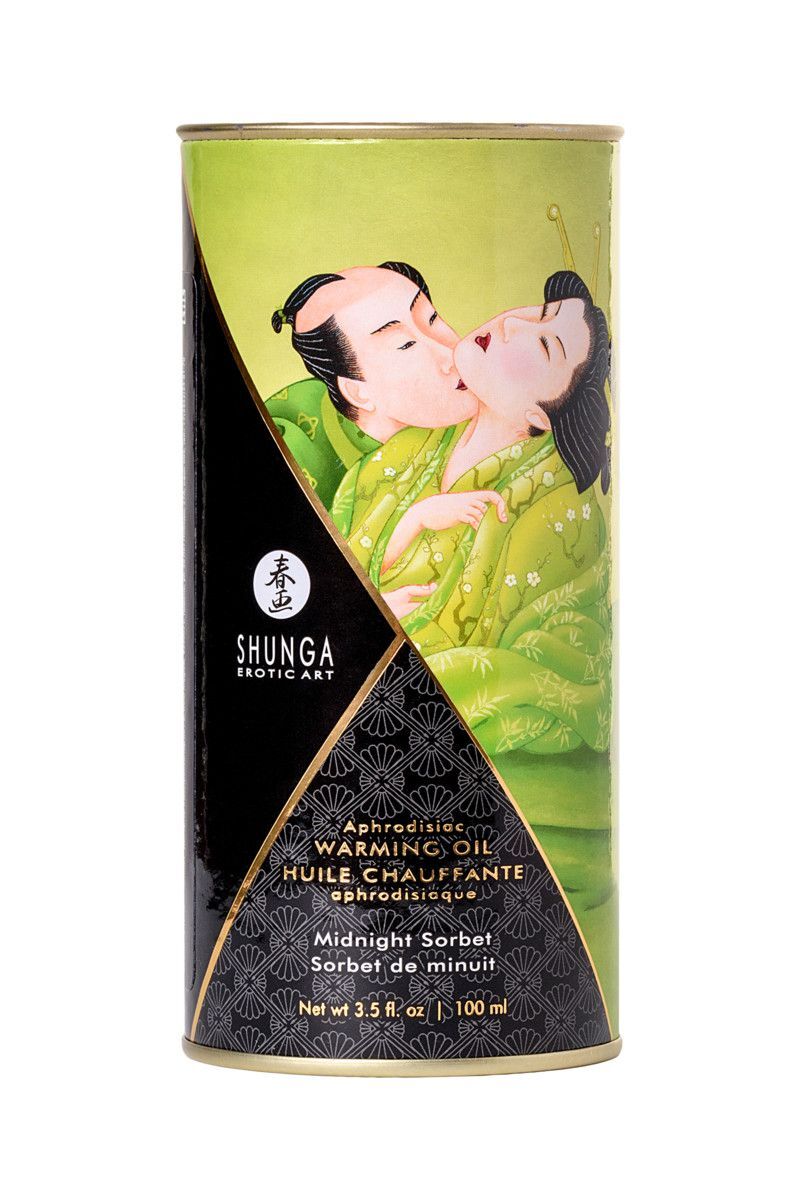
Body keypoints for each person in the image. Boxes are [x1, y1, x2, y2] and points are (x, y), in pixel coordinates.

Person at [331, 270, 612, 760]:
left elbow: (506, 657)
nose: (511, 325)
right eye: (537, 313)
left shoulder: (555, 510)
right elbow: (338, 570)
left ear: (541, 415)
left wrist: (377, 633)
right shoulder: (412, 448)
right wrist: (414, 520)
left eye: (544, 345)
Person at [268, 263, 476, 504]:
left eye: (431, 319)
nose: (450, 354)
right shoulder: (295, 450)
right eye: (406, 345)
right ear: (358, 392)